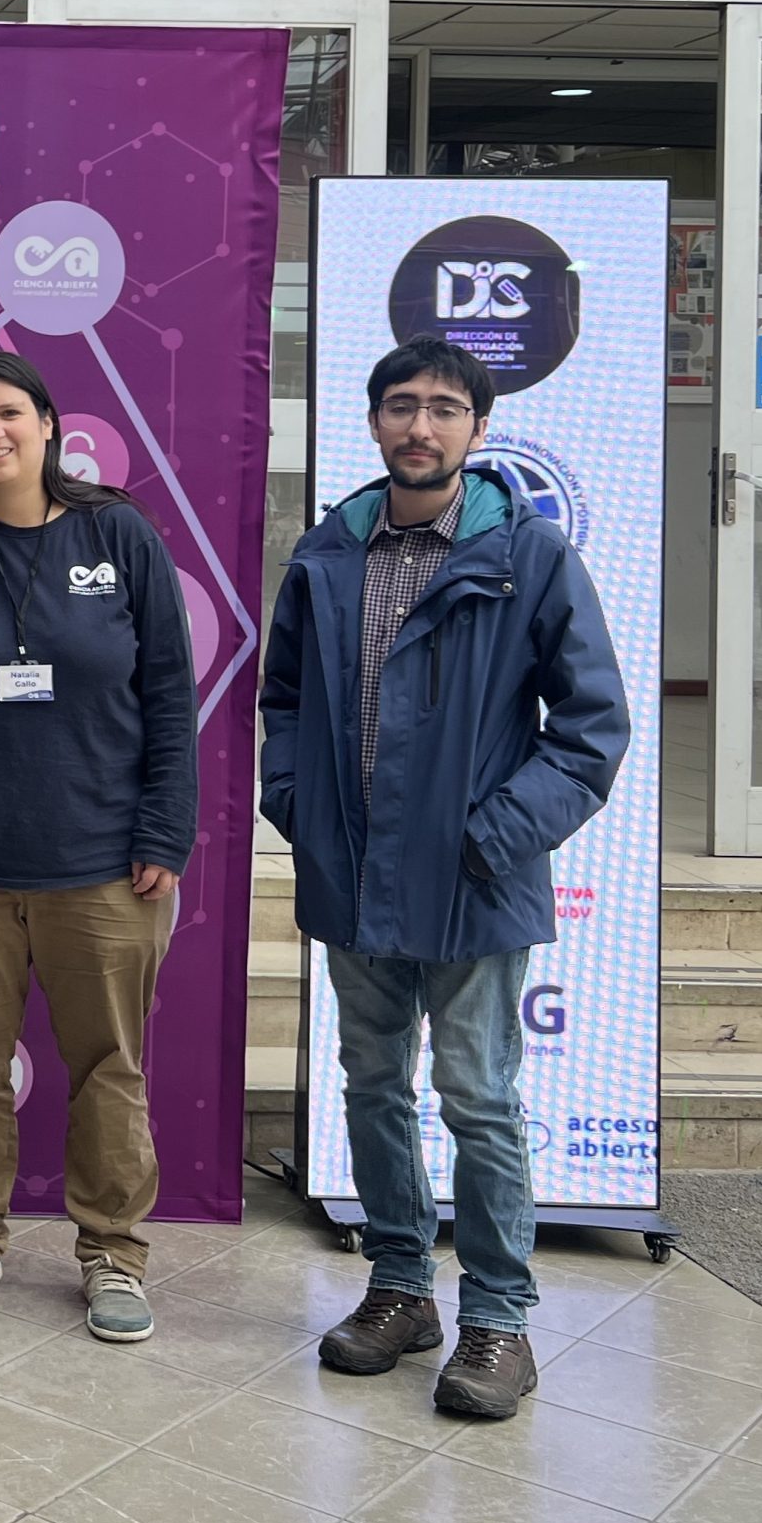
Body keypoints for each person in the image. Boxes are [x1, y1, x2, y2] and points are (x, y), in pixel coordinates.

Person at [263, 335, 627, 1420]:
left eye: (443, 408)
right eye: (400, 405)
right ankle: (399, 1287)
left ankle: (499, 1321)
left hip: (475, 878)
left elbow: (591, 728)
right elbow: (282, 706)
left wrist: (501, 832)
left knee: (478, 1097)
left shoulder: (528, 557)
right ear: (373, 421)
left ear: (476, 428)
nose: (419, 425)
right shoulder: (327, 555)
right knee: (372, 1088)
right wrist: (304, 813)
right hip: (352, 872)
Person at [0, 351, 195, 1343]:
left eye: (9, 412)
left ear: (49, 425)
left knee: (109, 1067)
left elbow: (170, 701)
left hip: (104, 866)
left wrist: (162, 833)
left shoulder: (119, 535)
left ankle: (112, 1252)